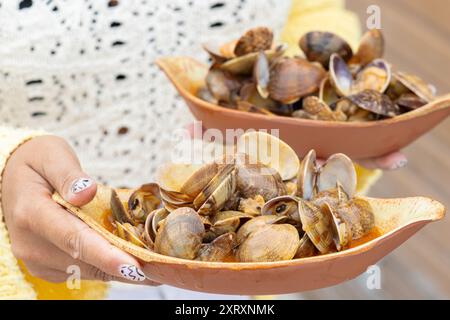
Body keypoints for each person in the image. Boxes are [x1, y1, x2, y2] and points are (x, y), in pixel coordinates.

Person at [0, 0, 407, 299]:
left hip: (249, 257)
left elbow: (308, 13)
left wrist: (326, 106)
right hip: (56, 274)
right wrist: (7, 166)